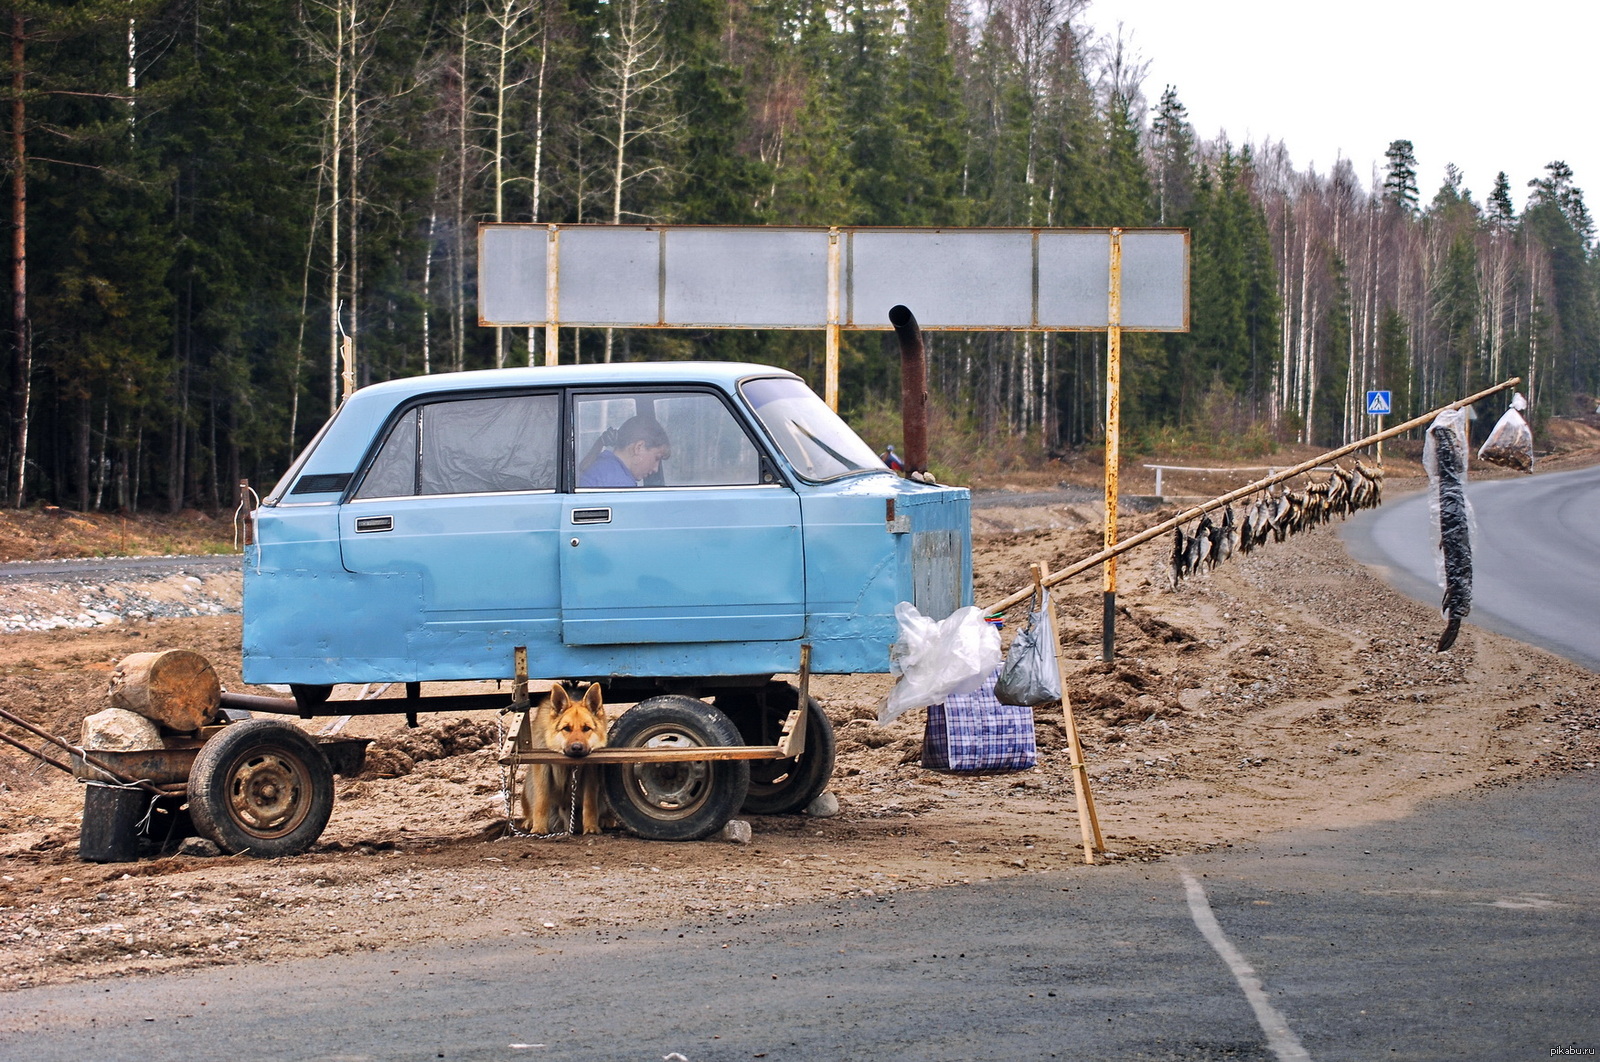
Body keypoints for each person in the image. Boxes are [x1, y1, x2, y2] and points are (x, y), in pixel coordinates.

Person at [578, 414, 671, 487]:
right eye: (657, 458)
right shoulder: (620, 484)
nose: (656, 468)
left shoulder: (603, 467)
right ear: (639, 447)